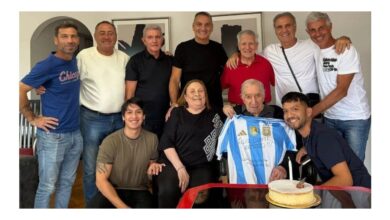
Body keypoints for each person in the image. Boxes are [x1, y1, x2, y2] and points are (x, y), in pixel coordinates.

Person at [19, 22, 83, 208]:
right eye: (64, 36)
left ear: (78, 40)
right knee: (47, 186)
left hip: (75, 134)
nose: (69, 40)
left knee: (67, 183)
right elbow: (20, 89)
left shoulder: (75, 62)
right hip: (52, 136)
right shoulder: (46, 65)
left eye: (73, 36)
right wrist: (33, 118)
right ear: (56, 40)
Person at [227, 12, 351, 107]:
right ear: (275, 30)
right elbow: (250, 53)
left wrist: (343, 38)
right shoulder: (270, 51)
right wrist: (236, 55)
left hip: (310, 107)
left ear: (295, 27)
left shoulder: (311, 45)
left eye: (288, 26)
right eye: (279, 27)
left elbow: (327, 43)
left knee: (313, 140)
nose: (284, 30)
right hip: (285, 110)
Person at [306, 12, 371, 162]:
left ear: (330, 27)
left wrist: (312, 112)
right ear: (308, 32)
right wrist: (238, 53)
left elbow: (342, 90)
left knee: (354, 166)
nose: (317, 34)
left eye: (321, 28)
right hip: (330, 118)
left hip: (354, 119)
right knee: (334, 164)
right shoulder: (315, 49)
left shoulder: (346, 50)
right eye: (312, 30)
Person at [77, 21, 130, 204]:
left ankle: (113, 206)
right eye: (102, 33)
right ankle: (92, 208)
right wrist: (47, 85)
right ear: (95, 35)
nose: (107, 37)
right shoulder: (84, 56)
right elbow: (68, 79)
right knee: (92, 169)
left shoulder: (123, 57)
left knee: (117, 168)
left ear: (115, 36)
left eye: (110, 33)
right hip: (92, 119)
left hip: (119, 119)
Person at [277, 92, 371, 188]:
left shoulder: (323, 138)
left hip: (359, 194)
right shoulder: (310, 134)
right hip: (344, 195)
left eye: (295, 109)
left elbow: (345, 180)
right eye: (285, 111)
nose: (289, 115)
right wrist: (306, 148)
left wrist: (312, 192)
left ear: (309, 112)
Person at [87, 97, 164, 208]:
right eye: (129, 112)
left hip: (140, 191)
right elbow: (100, 181)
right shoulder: (110, 141)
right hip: (113, 189)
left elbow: (150, 172)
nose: (134, 116)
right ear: (123, 117)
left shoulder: (152, 139)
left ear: (144, 117)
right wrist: (124, 209)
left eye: (138, 112)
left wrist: (153, 167)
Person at [157, 79, 223, 208]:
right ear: (185, 97)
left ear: (205, 95)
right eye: (192, 91)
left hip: (201, 166)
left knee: (201, 196)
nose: (197, 94)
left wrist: (227, 108)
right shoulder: (177, 113)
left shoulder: (216, 114)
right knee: (168, 192)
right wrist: (180, 168)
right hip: (173, 164)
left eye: (200, 91)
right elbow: (166, 142)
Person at [217, 79, 297, 184]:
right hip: (245, 181)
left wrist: (284, 166)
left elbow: (293, 145)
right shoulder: (234, 116)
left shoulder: (278, 114)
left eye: (258, 95)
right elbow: (225, 151)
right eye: (248, 96)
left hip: (276, 178)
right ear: (242, 97)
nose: (254, 101)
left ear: (264, 96)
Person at [167, 11, 228, 120]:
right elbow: (175, 79)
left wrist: (237, 55)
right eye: (199, 24)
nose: (203, 28)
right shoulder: (183, 48)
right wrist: (174, 103)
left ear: (212, 27)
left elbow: (228, 74)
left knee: (216, 136)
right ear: (193, 27)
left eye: (207, 24)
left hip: (214, 105)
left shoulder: (218, 48)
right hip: (189, 106)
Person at [125, 24, 173, 138]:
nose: (154, 40)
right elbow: (129, 94)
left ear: (162, 39)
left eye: (157, 37)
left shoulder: (170, 60)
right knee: (144, 153)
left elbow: (175, 84)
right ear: (144, 40)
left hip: (166, 116)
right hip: (143, 118)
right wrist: (132, 117)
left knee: (164, 150)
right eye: (150, 37)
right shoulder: (135, 61)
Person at [221, 30, 275, 105]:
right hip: (238, 111)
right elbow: (221, 87)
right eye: (243, 44)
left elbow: (276, 82)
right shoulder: (231, 66)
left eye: (251, 43)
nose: (247, 47)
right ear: (239, 46)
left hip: (262, 110)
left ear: (256, 45)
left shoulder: (266, 64)